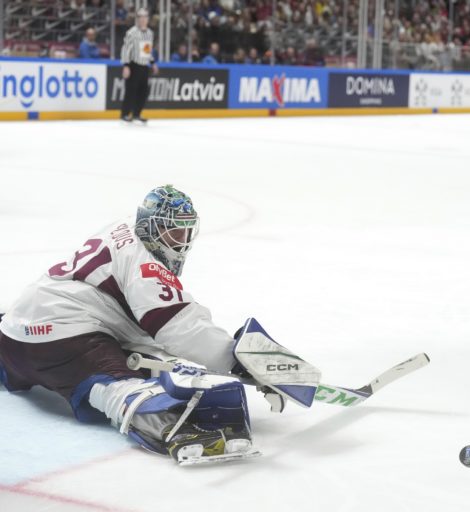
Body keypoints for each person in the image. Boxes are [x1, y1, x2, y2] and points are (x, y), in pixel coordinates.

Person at [0, 186, 269, 463]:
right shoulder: (145, 264)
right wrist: (234, 359)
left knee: (139, 353)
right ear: (150, 226)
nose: (181, 240)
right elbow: (177, 325)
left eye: (186, 231)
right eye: (173, 232)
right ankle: (169, 428)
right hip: (61, 339)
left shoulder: (128, 226)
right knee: (116, 383)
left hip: (14, 332)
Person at [119, 8, 158, 123]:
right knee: (131, 90)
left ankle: (137, 114)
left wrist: (152, 63)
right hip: (133, 65)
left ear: (148, 19)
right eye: (140, 17)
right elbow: (126, 49)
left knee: (143, 91)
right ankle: (125, 114)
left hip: (144, 66)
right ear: (137, 19)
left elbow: (148, 50)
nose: (142, 19)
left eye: (144, 16)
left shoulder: (150, 33)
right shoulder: (131, 32)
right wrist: (126, 65)